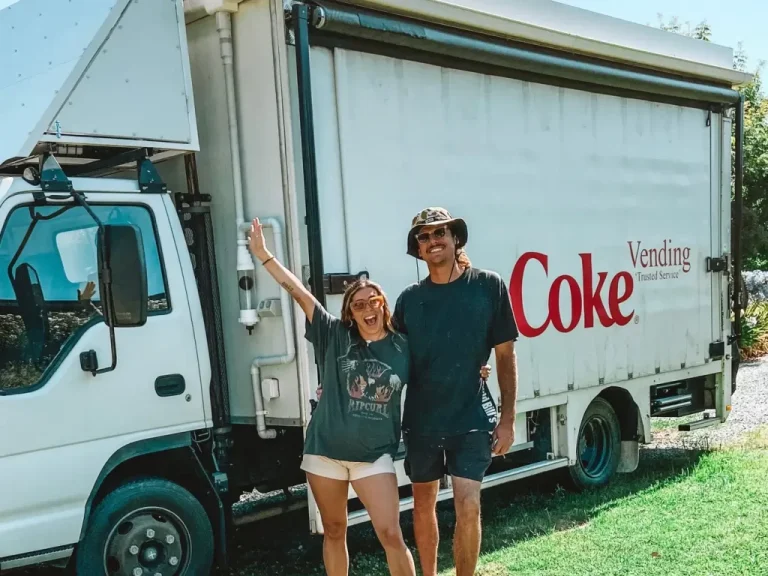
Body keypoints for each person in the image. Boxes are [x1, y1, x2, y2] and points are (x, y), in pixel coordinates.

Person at [247, 218, 416, 576]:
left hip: (373, 456)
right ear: (350, 314)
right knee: (335, 530)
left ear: (383, 304)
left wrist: (479, 370)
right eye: (358, 305)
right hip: (325, 452)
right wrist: (264, 256)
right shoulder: (335, 335)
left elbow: (435, 379)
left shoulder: (404, 346)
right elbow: (298, 293)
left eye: (373, 301)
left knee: (390, 532)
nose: (367, 309)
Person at [393, 207, 520, 576]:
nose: (432, 241)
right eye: (424, 236)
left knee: (469, 507)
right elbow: (391, 360)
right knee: (422, 507)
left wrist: (508, 418)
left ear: (455, 238)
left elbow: (506, 355)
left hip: (471, 417)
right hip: (422, 421)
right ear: (417, 248)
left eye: (439, 233)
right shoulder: (408, 300)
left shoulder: (488, 286)